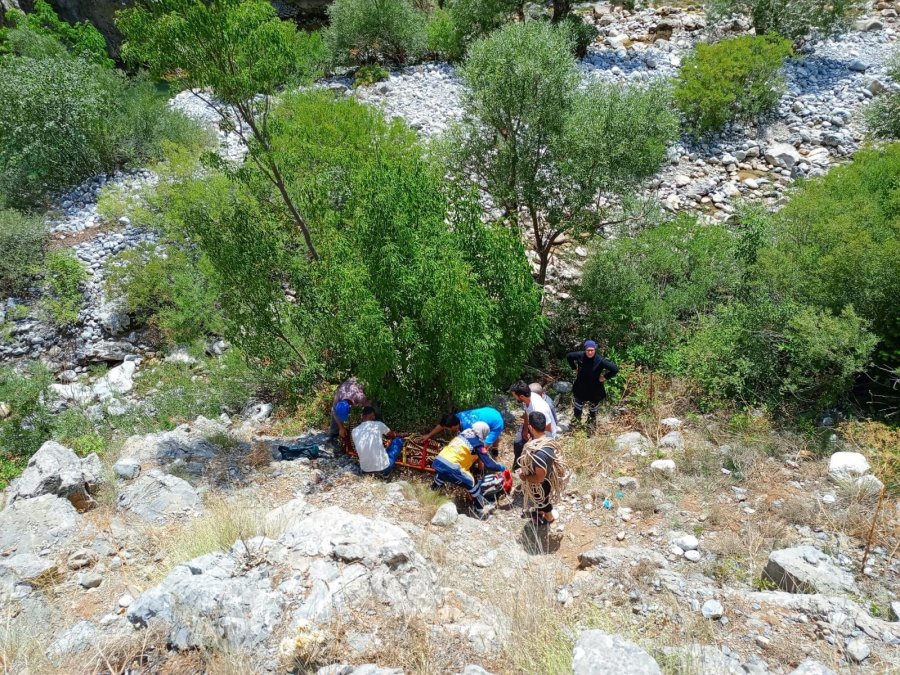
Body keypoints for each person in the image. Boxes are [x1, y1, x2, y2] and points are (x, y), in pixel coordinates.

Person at [431, 421, 506, 519]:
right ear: (483, 432)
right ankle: (480, 511)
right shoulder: (477, 444)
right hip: (451, 467)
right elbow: (489, 464)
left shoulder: (462, 434)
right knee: (471, 483)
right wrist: (500, 467)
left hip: (438, 462)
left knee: (442, 474)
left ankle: (432, 493)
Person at [518, 411, 569, 527]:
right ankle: (540, 512)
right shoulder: (548, 439)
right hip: (548, 477)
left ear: (530, 427)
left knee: (542, 500)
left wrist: (524, 477)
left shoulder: (539, 453)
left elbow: (539, 478)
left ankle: (549, 518)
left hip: (542, 483)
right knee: (541, 500)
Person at [566, 340, 618, 430]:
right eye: (588, 350)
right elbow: (569, 356)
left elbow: (614, 369)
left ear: (595, 350)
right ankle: (575, 425)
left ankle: (591, 427)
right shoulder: (580, 355)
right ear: (585, 350)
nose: (590, 352)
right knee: (578, 408)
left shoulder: (600, 360)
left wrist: (605, 377)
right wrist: (574, 368)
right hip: (581, 387)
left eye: (592, 350)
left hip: (595, 389)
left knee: (593, 411)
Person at [510, 380, 556, 470]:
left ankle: (533, 468)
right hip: (532, 425)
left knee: (535, 451)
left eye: (515, 396)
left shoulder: (540, 408)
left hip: (543, 431)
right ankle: (517, 465)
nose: (514, 398)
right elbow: (527, 414)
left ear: (521, 396)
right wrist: (525, 430)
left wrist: (536, 441)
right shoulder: (526, 399)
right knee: (518, 442)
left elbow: (548, 428)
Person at [351, 406, 403, 477]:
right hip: (384, 469)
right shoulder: (378, 424)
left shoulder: (354, 431)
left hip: (365, 471)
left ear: (362, 416)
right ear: (373, 416)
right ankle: (385, 473)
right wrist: (400, 434)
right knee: (398, 440)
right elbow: (392, 435)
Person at [422, 407, 505, 451]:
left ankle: (494, 449)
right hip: (489, 411)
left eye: (448, 429)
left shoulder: (469, 429)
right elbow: (442, 425)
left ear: (454, 426)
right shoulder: (455, 417)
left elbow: (481, 447)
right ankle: (495, 447)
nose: (448, 430)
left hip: (496, 422)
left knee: (483, 447)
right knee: (493, 436)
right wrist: (428, 435)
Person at [329, 377, 370, 442]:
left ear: (350, 407)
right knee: (333, 411)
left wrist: (367, 422)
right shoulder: (338, 397)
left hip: (366, 383)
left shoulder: (360, 397)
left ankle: (379, 428)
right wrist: (341, 427)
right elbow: (334, 411)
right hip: (348, 385)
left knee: (372, 410)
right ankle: (334, 435)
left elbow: (368, 407)